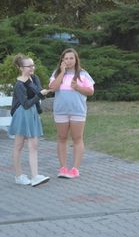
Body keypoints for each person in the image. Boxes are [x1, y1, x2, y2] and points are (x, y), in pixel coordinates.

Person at [48, 48, 95, 179]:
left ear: (76, 60)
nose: (68, 61)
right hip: (60, 111)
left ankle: (75, 169)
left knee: (77, 138)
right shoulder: (57, 72)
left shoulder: (83, 74)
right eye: (66, 58)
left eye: (71, 58)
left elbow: (91, 91)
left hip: (78, 111)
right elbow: (52, 88)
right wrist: (62, 72)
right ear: (62, 60)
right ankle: (63, 168)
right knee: (62, 138)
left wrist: (78, 87)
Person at [9, 54, 50, 187]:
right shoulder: (18, 85)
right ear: (20, 68)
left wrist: (40, 93)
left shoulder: (35, 78)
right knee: (19, 145)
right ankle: (19, 175)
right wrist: (39, 94)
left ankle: (35, 176)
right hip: (22, 114)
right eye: (29, 66)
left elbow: (40, 96)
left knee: (33, 145)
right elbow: (26, 104)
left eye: (33, 65)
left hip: (32, 113)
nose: (32, 68)